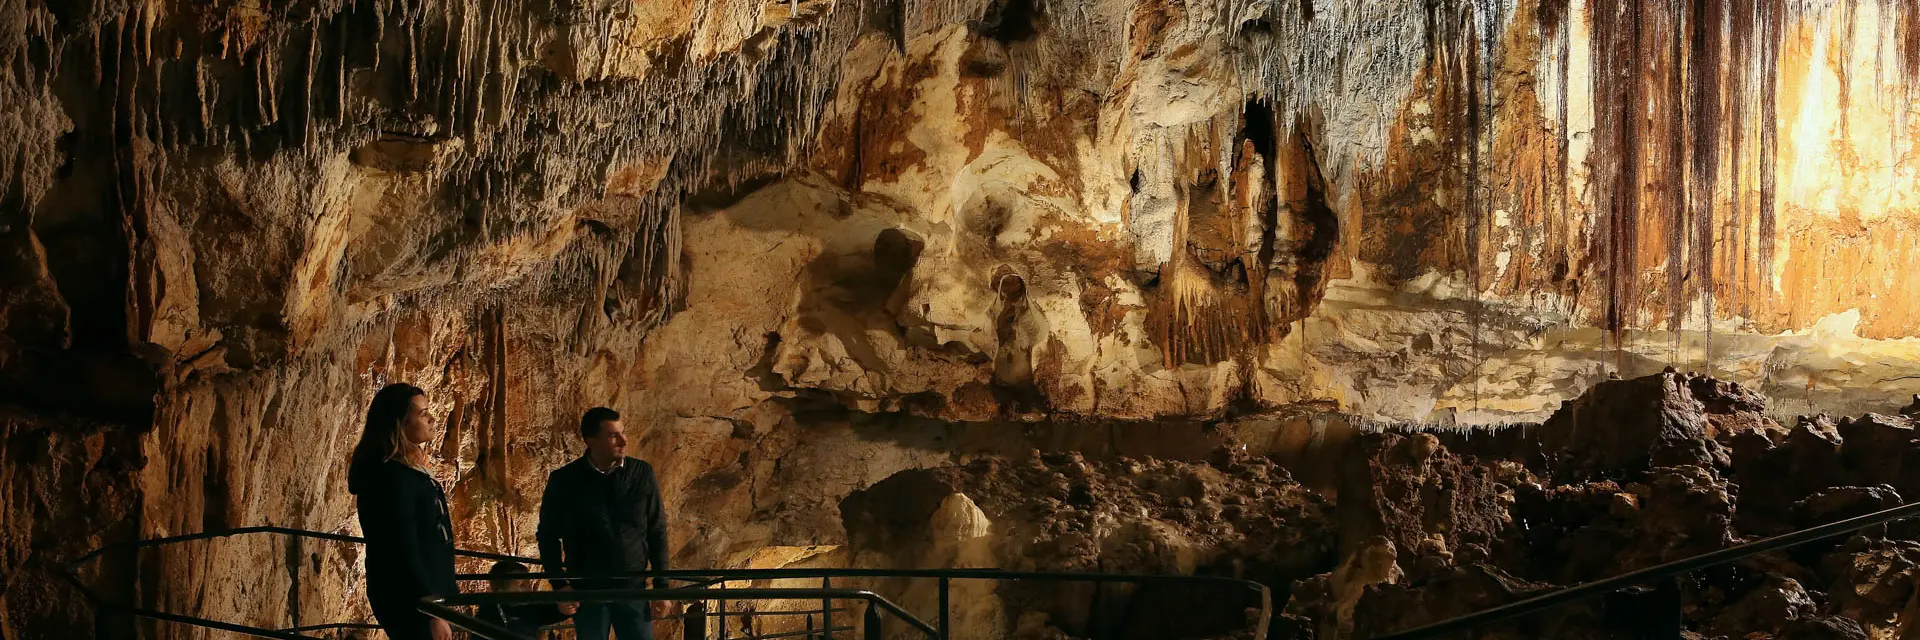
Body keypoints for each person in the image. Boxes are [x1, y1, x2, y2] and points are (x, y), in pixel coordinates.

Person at [536, 407, 674, 640]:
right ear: (591, 441)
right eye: (613, 436)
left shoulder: (642, 474)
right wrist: (559, 585)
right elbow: (547, 535)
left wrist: (662, 587)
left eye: (622, 432)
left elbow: (656, 531)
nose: (623, 440)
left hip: (633, 590)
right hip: (588, 592)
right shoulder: (565, 481)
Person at [347, 383, 457, 640]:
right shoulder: (392, 478)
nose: (432, 418)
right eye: (422, 413)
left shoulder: (407, 471)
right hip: (412, 600)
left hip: (422, 596)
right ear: (399, 422)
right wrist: (432, 611)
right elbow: (402, 547)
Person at [479, 561, 571, 638]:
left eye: (528, 583)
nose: (529, 589)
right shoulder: (487, 615)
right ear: (502, 591)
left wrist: (564, 609)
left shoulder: (529, 609)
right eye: (522, 585)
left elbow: (549, 613)